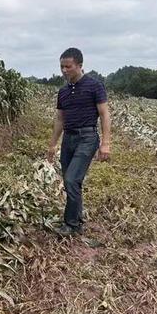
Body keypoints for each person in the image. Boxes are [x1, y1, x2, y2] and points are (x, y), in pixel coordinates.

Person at [47, 47, 111, 237]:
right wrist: (52, 145)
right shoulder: (63, 92)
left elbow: (104, 114)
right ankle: (77, 218)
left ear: (80, 66)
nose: (64, 71)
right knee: (72, 182)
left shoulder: (94, 86)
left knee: (71, 179)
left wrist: (105, 144)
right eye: (61, 67)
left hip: (87, 137)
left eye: (68, 66)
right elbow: (60, 119)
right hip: (69, 137)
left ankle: (71, 224)